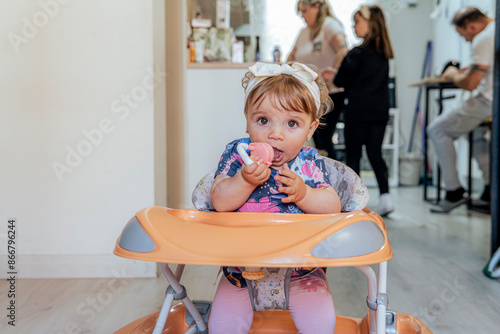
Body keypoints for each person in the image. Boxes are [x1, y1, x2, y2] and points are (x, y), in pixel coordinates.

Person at [208, 62, 340, 334]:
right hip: (240, 271)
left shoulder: (309, 162)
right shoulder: (238, 155)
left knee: (322, 324)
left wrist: (304, 193)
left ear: (310, 130)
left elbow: (333, 206)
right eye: (263, 120)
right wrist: (243, 180)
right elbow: (218, 201)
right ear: (247, 119)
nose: (275, 133)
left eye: (292, 123)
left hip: (301, 271)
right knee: (221, 326)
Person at [427, 7, 494, 214]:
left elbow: (471, 84)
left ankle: (454, 191)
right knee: (476, 135)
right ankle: (490, 191)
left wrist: (453, 75)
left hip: (487, 99)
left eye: (463, 34)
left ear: (471, 26)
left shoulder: (483, 38)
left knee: (437, 129)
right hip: (492, 98)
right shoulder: (494, 31)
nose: (465, 40)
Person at [331, 5, 395, 217]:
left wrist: (336, 70)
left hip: (357, 113)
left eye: (357, 21)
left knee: (354, 156)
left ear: (370, 24)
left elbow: (340, 80)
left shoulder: (356, 53)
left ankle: (353, 199)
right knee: (375, 154)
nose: (353, 26)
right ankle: (386, 197)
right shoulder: (383, 55)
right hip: (379, 113)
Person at [288, 0, 349, 160]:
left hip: (330, 94)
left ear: (316, 7)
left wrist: (332, 77)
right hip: (309, 94)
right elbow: (291, 58)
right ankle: (321, 177)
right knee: (315, 138)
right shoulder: (303, 32)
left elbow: (343, 50)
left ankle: (335, 178)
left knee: (324, 137)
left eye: (304, 10)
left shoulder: (330, 26)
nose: (302, 15)